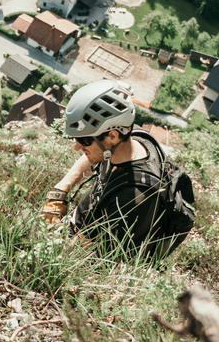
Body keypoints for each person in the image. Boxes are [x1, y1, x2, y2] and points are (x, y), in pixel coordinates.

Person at [41, 80, 191, 258]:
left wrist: (56, 235)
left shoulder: (136, 196)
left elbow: (97, 254)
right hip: (86, 225)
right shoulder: (132, 136)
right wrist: (60, 190)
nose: (77, 148)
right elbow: (91, 155)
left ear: (112, 135)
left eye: (84, 141)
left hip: (89, 247)